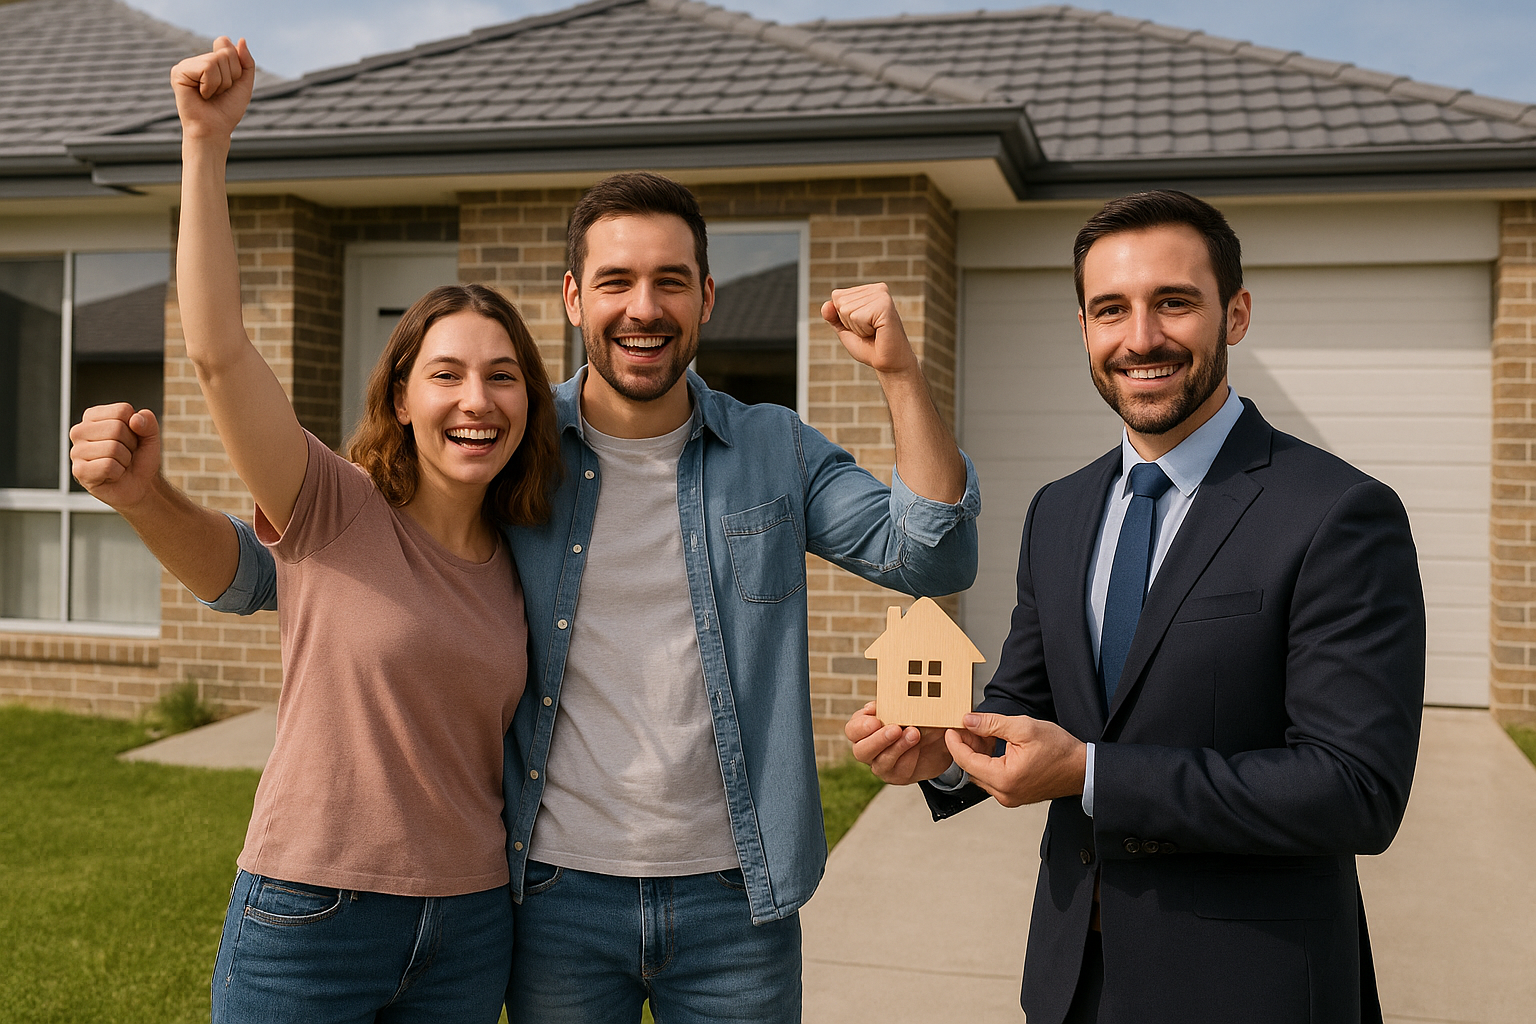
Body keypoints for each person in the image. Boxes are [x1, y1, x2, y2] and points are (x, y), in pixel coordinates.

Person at [72, 156, 980, 1017]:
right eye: (617, 281)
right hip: (555, 894)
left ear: (706, 297)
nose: (644, 307)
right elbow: (297, 566)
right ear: (575, 300)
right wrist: (147, 497)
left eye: (670, 280)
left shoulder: (773, 447)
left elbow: (931, 555)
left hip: (735, 895)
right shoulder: (505, 441)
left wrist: (901, 376)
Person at [70, 39, 561, 1023]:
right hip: (313, 913)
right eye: (448, 373)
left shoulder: (528, 560)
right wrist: (205, 146)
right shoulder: (332, 505)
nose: (478, 399)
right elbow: (216, 352)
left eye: (503, 374)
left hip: (468, 926)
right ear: (402, 395)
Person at [846, 190, 1425, 1023]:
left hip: (1248, 989)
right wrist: (945, 748)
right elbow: (1030, 696)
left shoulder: (1337, 513)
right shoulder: (1060, 508)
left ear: (1237, 312)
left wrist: (1090, 773)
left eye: (1175, 302)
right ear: (1083, 328)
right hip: (1070, 980)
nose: (1141, 337)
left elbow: (1354, 789)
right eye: (1110, 309)